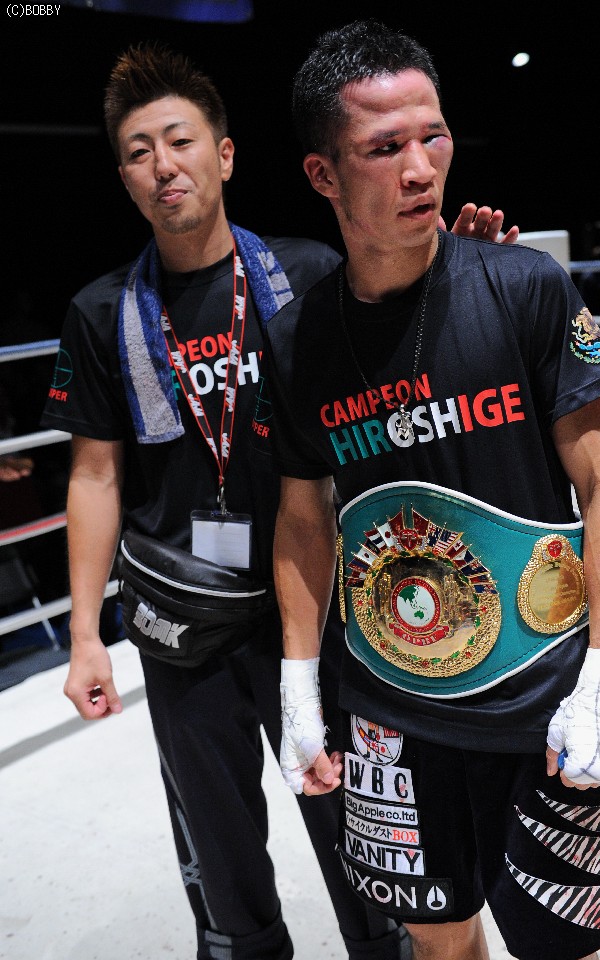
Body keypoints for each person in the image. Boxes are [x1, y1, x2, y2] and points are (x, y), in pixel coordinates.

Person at [40, 42, 517, 960]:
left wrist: (467, 280)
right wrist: (86, 636)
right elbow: (94, 476)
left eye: (180, 140)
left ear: (224, 155)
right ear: (124, 177)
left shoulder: (307, 273)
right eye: (139, 151)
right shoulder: (103, 313)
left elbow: (405, 363)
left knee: (369, 843)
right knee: (221, 860)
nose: (163, 164)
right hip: (183, 629)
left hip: (321, 608)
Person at [258, 20, 600, 960]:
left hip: (540, 691)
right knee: (438, 937)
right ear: (323, 174)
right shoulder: (294, 340)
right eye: (383, 148)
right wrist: (298, 685)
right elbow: (303, 517)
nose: (420, 169)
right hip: (388, 706)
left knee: (560, 944)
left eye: (432, 136)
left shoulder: (526, 288)